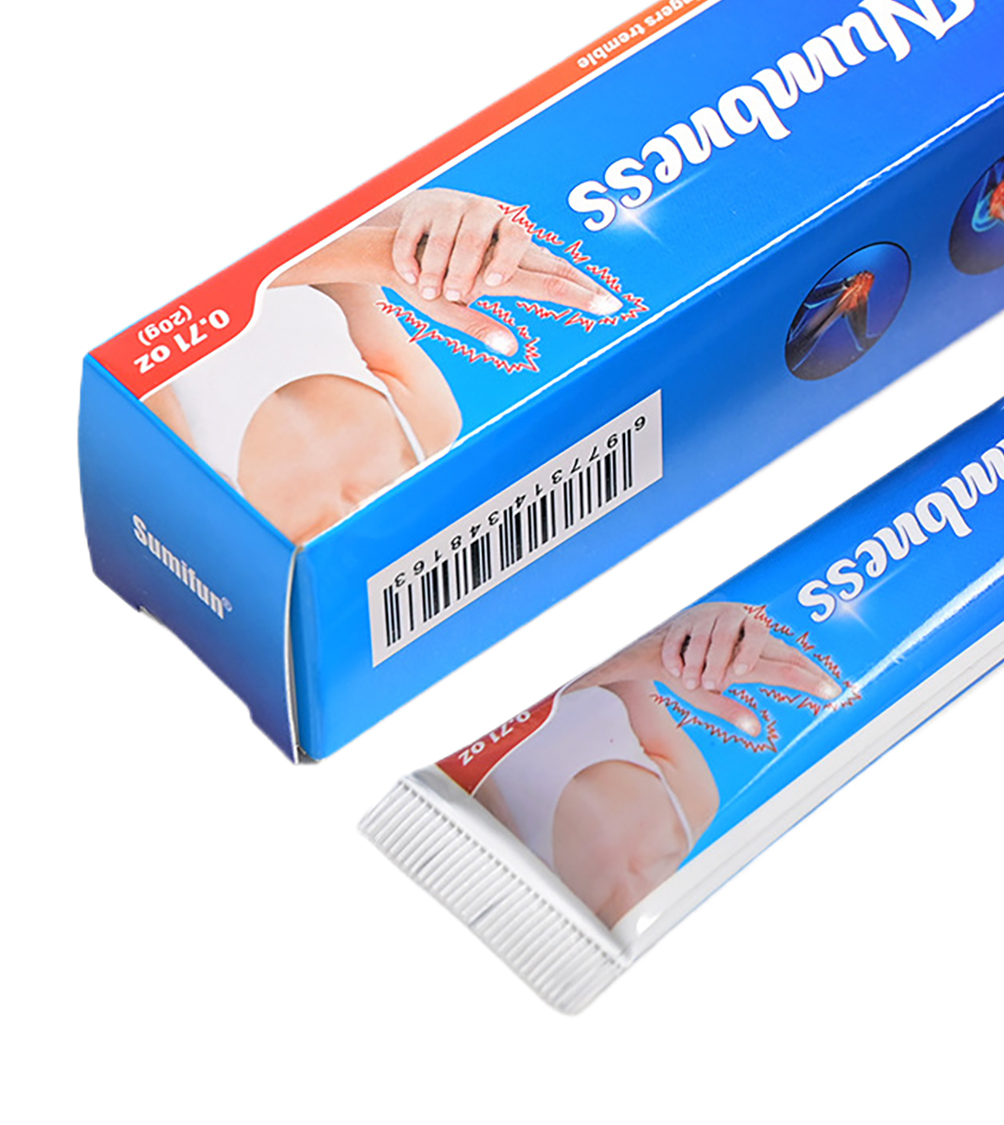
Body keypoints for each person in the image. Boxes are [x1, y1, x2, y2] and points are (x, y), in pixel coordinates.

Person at [148, 187, 621, 544]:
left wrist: (379, 254)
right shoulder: (428, 423)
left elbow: (141, 327)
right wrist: (416, 223)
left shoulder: (227, 533)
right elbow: (321, 228)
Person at [474, 600, 841, 928]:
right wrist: (689, 629)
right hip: (535, 608)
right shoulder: (692, 799)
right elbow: (622, 645)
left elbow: (467, 729)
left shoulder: (526, 903)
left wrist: (635, 656)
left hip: (474, 646)